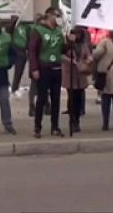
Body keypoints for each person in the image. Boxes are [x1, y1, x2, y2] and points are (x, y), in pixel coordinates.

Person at [29, 8, 66, 138]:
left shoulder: (59, 31)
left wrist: (70, 41)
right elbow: (32, 50)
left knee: (56, 98)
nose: (58, 17)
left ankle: (55, 127)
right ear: (49, 15)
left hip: (56, 68)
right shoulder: (38, 30)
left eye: (59, 15)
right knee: (42, 98)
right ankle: (37, 127)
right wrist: (34, 69)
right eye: (56, 15)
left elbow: (63, 49)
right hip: (43, 67)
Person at [62, 26, 93, 133]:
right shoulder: (67, 45)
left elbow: (88, 55)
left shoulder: (83, 45)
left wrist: (88, 60)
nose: (77, 36)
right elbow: (61, 55)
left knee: (79, 98)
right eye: (76, 34)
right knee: (72, 97)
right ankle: (72, 121)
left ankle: (77, 120)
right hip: (70, 73)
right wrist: (71, 60)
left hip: (81, 73)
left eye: (79, 34)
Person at [7, 15, 30, 97]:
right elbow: (8, 29)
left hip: (22, 51)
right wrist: (14, 22)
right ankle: (7, 86)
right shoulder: (12, 28)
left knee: (19, 70)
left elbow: (27, 38)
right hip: (14, 49)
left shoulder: (24, 27)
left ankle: (15, 87)